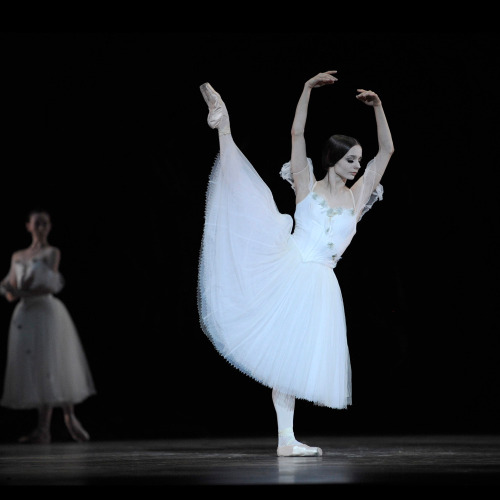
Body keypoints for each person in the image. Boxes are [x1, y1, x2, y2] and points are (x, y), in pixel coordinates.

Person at [198, 71, 394, 456]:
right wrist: (306, 90)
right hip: (288, 267)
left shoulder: (357, 199)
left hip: (320, 283)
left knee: (293, 359)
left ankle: (286, 439)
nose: (357, 165)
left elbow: (386, 153)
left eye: (358, 160)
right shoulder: (306, 183)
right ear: (335, 159)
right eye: (351, 159)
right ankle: (224, 127)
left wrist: (380, 109)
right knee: (283, 356)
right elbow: (296, 136)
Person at [0, 209, 96, 444]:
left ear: (49, 227)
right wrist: (10, 291)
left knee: (54, 362)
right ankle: (43, 429)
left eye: (45, 223)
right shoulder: (18, 255)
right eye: (37, 223)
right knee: (35, 366)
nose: (41, 227)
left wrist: (19, 291)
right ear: (28, 226)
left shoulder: (52, 252)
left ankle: (69, 416)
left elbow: (50, 286)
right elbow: (10, 287)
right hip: (25, 314)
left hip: (46, 312)